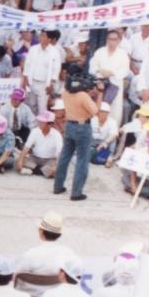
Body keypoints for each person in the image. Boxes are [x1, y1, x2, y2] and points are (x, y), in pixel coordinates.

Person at [53, 74, 97, 202]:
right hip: (82, 127)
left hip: (69, 126)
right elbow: (95, 111)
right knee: (82, 160)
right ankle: (76, 193)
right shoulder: (83, 96)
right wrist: (98, 94)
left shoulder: (65, 93)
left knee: (64, 156)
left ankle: (58, 186)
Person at [14, 211, 76, 297]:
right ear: (59, 234)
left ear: (41, 232)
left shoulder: (30, 254)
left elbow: (15, 276)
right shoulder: (68, 254)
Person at [16, 111, 61, 178]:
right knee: (17, 162)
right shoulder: (35, 131)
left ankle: (33, 170)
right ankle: (43, 171)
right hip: (35, 158)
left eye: (42, 122)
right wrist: (20, 160)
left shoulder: (56, 134)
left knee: (55, 170)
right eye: (39, 121)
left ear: (50, 124)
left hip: (50, 159)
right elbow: (26, 147)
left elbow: (60, 152)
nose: (39, 123)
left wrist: (55, 165)